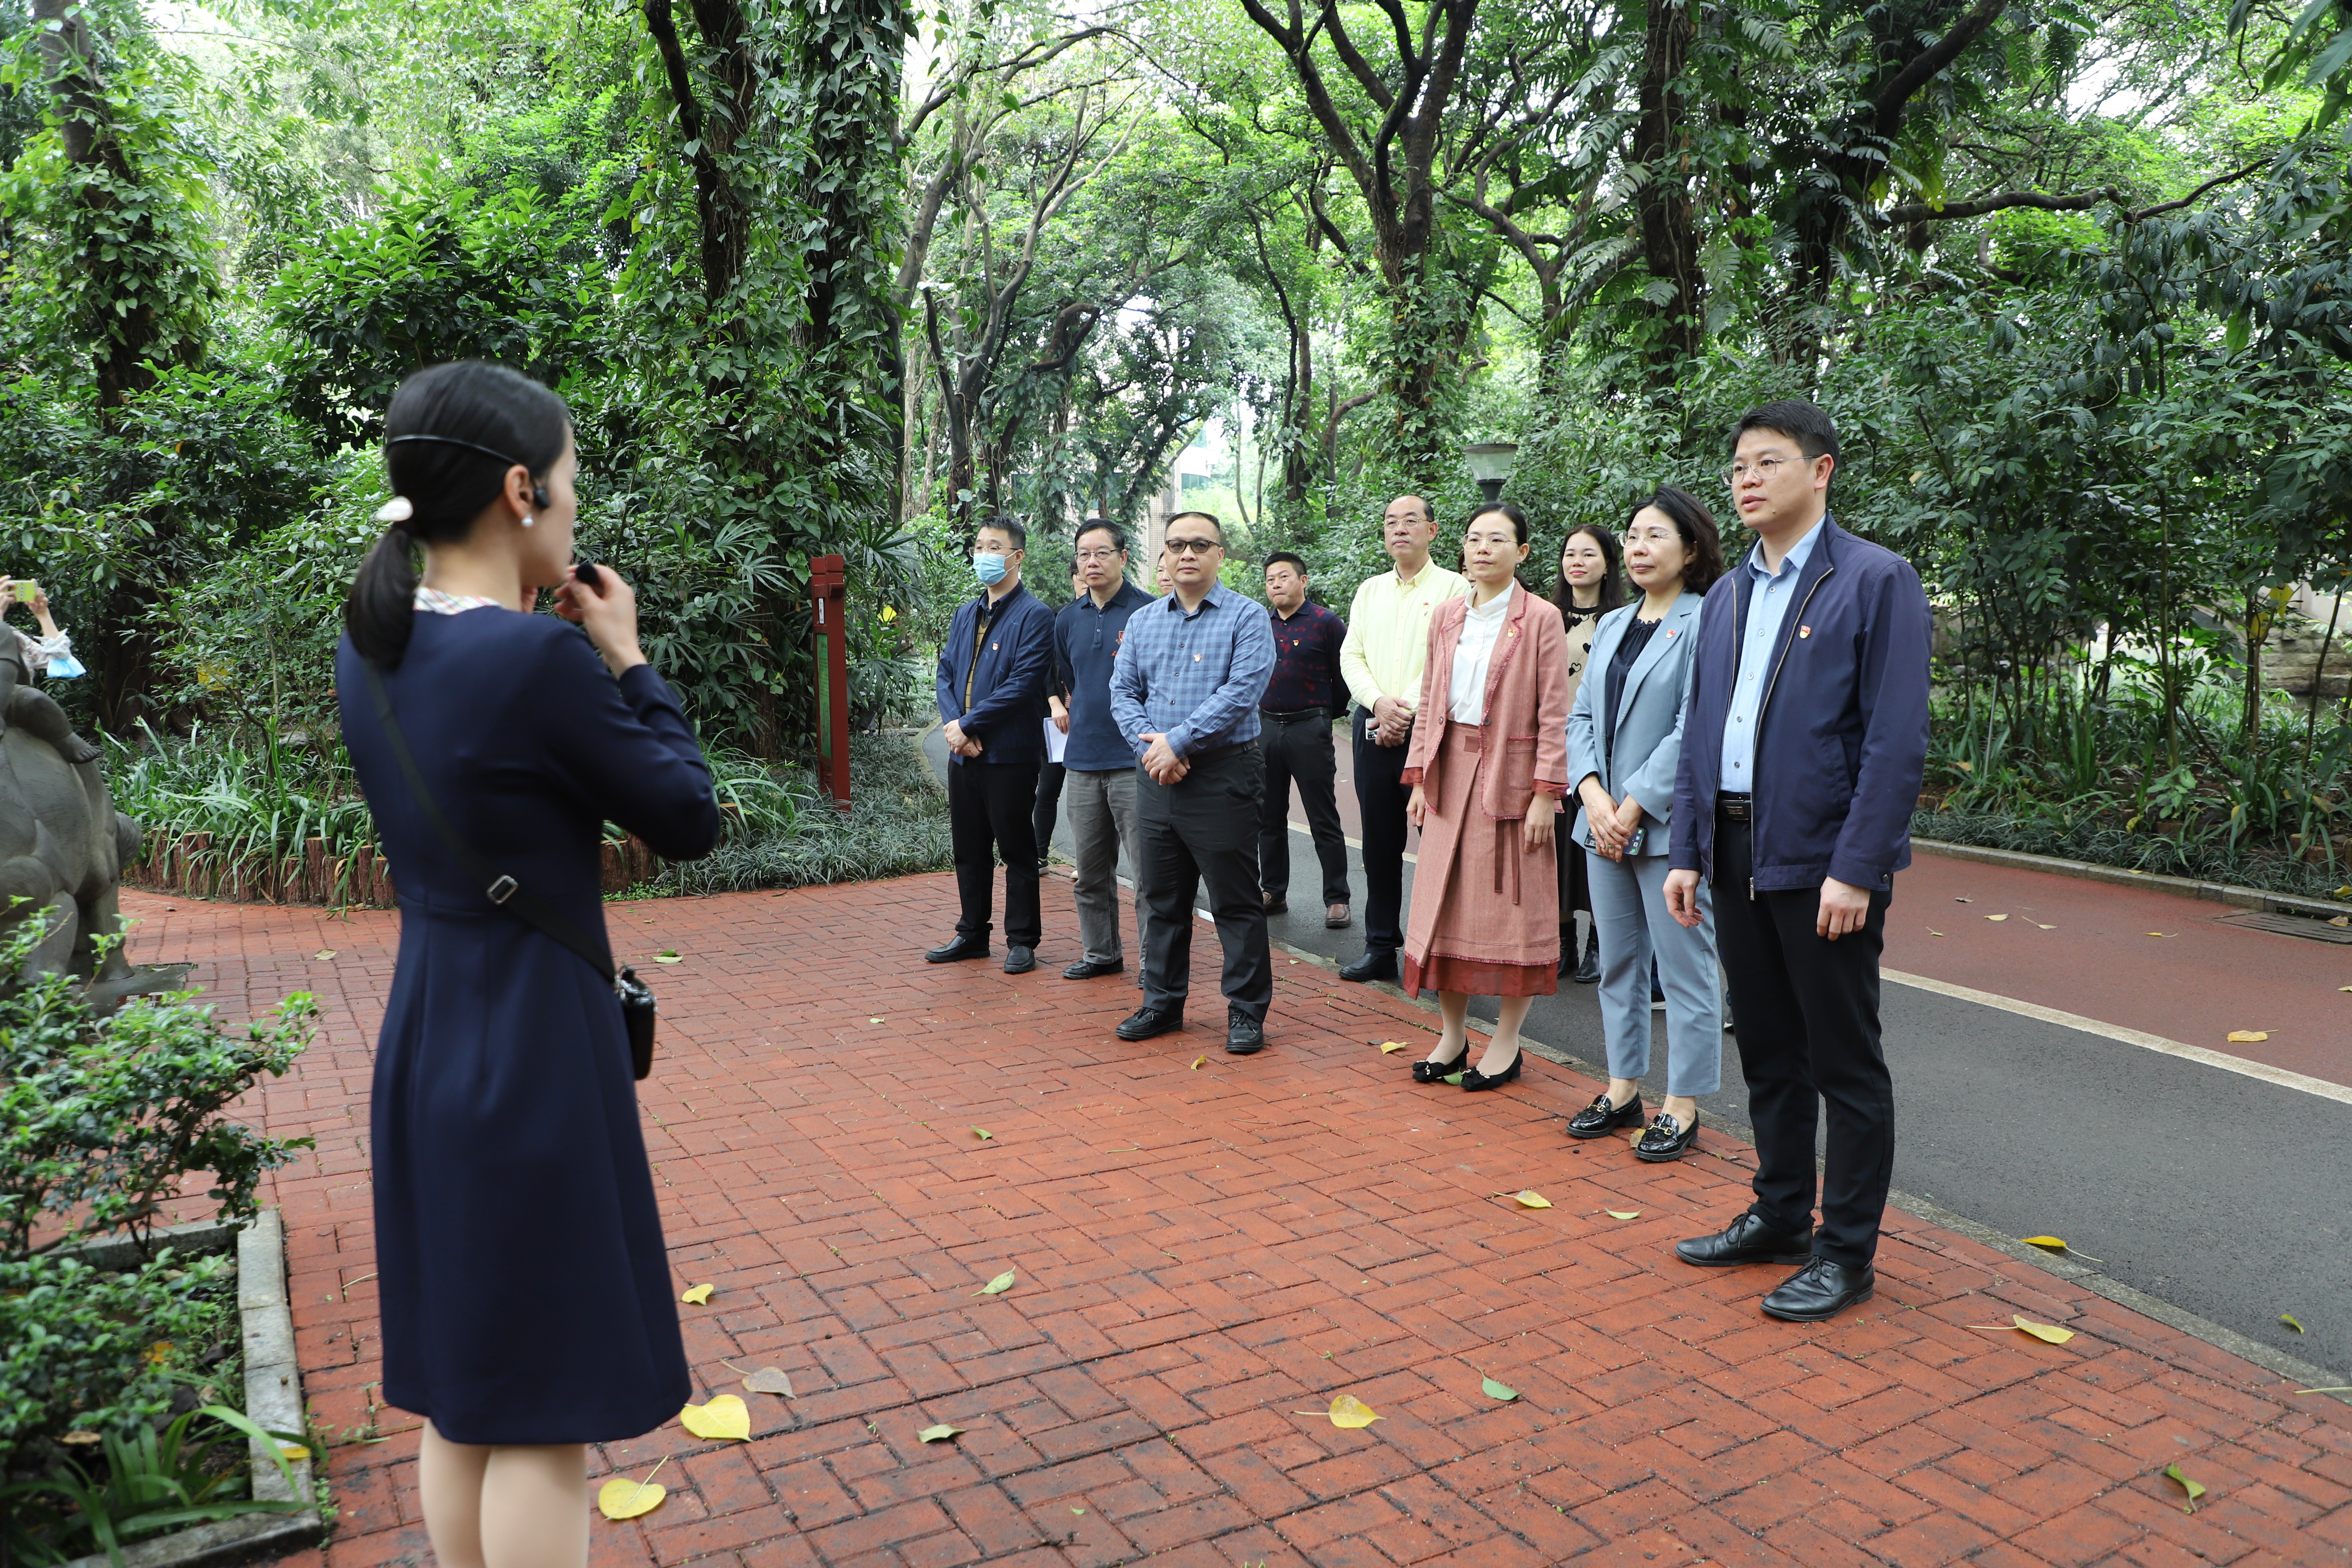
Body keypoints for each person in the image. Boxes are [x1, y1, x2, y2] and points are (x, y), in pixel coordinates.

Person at [333, 361, 721, 1568]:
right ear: (517, 490)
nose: (570, 515)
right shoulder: (538, 663)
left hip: (428, 1034)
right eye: (565, 489)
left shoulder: (370, 650)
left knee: (472, 1385)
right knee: (547, 1407)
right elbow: (687, 817)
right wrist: (630, 658)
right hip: (537, 1055)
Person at [1665, 398, 1932, 1323]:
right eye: (1737, 464)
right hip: (1734, 846)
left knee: (1842, 1061)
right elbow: (1704, 730)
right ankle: (1779, 1214)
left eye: (1767, 462)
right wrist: (1688, 849)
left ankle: (1845, 1251)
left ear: (1820, 471)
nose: (1745, 478)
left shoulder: (1873, 579)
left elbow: (1896, 743)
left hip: (1822, 856)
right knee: (1771, 1051)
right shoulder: (1730, 594)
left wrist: (1856, 867)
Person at [1564, 489, 1724, 1161]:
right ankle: (1623, 1087)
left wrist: (1631, 805)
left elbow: (1697, 727)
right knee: (1619, 965)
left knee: (1685, 968)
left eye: (1655, 536)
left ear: (1690, 550)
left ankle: (1681, 1104)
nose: (1637, 547)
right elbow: (1579, 719)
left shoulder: (1706, 620)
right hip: (1602, 826)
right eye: (1632, 535)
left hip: (1666, 826)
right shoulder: (1613, 623)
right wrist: (1593, 795)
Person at [1398, 502, 1572, 1089]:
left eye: (1497, 540)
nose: (1482, 549)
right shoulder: (1447, 615)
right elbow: (1429, 701)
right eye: (1474, 538)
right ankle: (1451, 1036)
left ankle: (1506, 1043)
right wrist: (1419, 777)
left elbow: (1556, 711)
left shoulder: (1542, 617)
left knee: (1512, 912)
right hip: (1449, 771)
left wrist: (1547, 794)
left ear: (1522, 552)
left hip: (1511, 780)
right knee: (1443, 905)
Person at [1109, 510, 1276, 1052]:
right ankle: (1162, 1003)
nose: (1187, 554)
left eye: (1200, 545)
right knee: (1161, 897)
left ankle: (1247, 1012)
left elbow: (1242, 691)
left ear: (1220, 555)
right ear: (1164, 555)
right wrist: (1154, 745)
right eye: (1176, 544)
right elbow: (1123, 693)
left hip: (1224, 775)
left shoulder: (1247, 618)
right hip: (1156, 775)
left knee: (1234, 900)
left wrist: (1176, 743)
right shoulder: (1143, 622)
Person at [1338, 496, 1470, 982]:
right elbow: (1351, 655)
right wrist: (1379, 704)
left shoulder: (1455, 587)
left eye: (1411, 521)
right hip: (1373, 724)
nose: (1400, 529)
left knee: (1436, 844)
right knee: (1379, 842)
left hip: (1431, 729)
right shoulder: (1370, 590)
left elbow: (1449, 658)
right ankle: (1380, 947)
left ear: (1432, 531)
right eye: (1391, 521)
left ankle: (1438, 953)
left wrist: (1404, 709)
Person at [928, 517, 1056, 974]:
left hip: (1009, 754)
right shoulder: (966, 612)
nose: (983, 553)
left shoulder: (1037, 616)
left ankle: (1022, 939)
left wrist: (968, 724)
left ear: (1017, 556)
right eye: (979, 545)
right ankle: (972, 933)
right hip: (964, 752)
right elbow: (945, 673)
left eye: (994, 546)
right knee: (969, 846)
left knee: (1017, 850)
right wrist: (953, 727)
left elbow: (1023, 685)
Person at [1055, 519, 1155, 982]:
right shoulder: (1068, 618)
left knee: (1149, 876)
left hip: (1134, 762)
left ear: (1123, 557)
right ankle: (1101, 953)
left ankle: (1155, 965)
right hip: (1081, 762)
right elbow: (1070, 681)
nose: (1091, 562)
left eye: (1101, 553)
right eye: (1083, 555)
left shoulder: (1149, 613)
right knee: (1091, 873)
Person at [1258, 552, 1351, 929]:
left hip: (1309, 727)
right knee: (1268, 814)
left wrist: (1325, 716)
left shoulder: (1326, 623)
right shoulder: (1259, 624)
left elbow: (1343, 675)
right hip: (1265, 727)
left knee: (1321, 814)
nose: (1277, 584)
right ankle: (1274, 890)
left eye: (1284, 577)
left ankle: (1337, 897)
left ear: (1303, 580)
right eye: (1270, 579)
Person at [1550, 527, 1623, 982]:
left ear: (1607, 563)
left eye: (1589, 554)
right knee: (1555, 850)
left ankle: (1601, 941)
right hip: (1553, 749)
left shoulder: (1623, 618)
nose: (1577, 561)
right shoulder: (1544, 616)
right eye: (1570, 553)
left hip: (1605, 750)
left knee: (1599, 843)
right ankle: (1562, 942)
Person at [0, 574, 98, 763]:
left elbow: (63, 663)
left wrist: (42, 614)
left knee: (36, 700)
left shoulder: (16, 638)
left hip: (13, 697)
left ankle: (64, 738)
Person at [1032, 562, 1084, 877]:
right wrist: (1055, 703)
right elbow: (1046, 669)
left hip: (1091, 723)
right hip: (1057, 723)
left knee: (1089, 797)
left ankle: (1088, 861)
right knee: (1048, 788)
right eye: (1079, 576)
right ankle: (1039, 855)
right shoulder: (1060, 618)